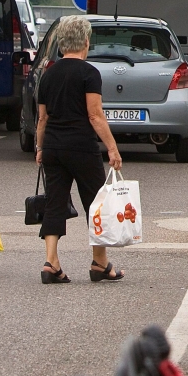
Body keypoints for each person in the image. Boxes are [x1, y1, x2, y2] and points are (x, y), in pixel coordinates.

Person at [35, 15, 126, 284]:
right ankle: (100, 262)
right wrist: (113, 148)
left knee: (54, 203)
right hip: (81, 147)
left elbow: (42, 118)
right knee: (96, 204)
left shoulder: (48, 74)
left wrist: (40, 147)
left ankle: (51, 262)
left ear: (62, 44)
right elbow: (95, 115)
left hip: (52, 146)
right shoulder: (89, 73)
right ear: (86, 42)